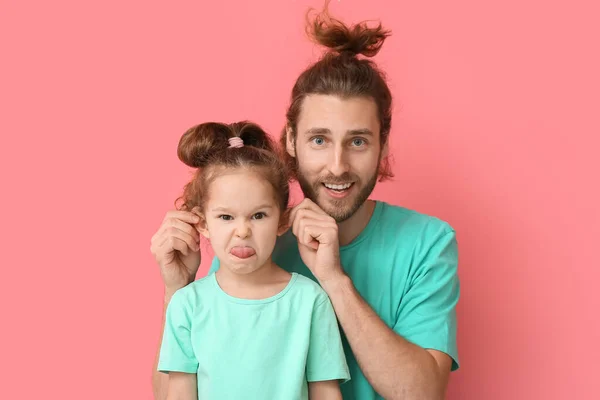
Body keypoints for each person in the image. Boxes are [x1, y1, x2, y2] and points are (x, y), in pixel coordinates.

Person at [152, 6, 460, 400]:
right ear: (291, 141)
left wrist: (334, 281)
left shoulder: (428, 243)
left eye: (358, 141)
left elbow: (420, 394)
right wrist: (176, 292)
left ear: (383, 145)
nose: (337, 166)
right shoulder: (252, 240)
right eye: (319, 140)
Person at [155, 121, 350, 400]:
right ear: (202, 223)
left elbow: (325, 391)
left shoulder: (310, 301)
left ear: (282, 220)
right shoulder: (187, 305)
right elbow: (179, 392)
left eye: (258, 215)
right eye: (226, 217)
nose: (243, 230)